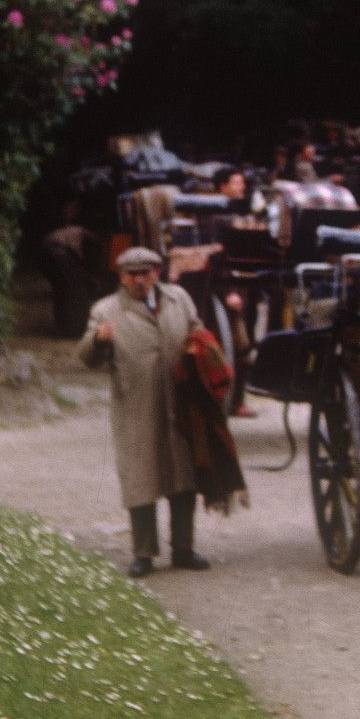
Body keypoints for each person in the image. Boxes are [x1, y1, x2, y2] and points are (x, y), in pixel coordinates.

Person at [77, 246, 212, 576]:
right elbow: (86, 357)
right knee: (141, 477)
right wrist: (98, 339)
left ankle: (183, 548)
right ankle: (143, 553)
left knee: (183, 477)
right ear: (121, 277)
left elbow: (198, 331)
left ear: (157, 273)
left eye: (146, 273)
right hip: (136, 405)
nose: (140, 280)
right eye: (132, 274)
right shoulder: (106, 310)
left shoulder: (179, 299)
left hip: (179, 403)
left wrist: (200, 347)